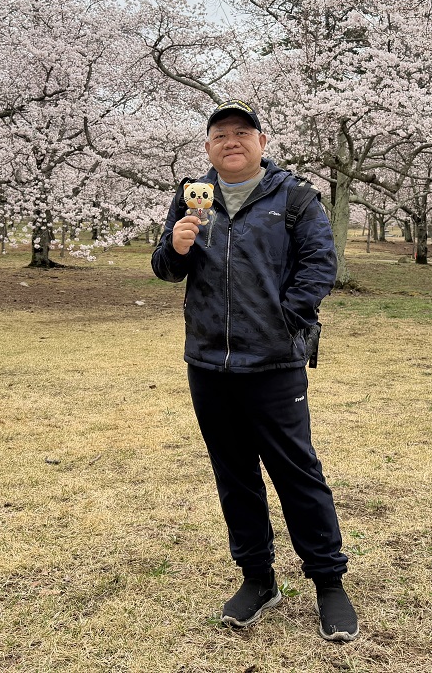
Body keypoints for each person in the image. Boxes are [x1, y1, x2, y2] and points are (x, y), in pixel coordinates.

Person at [151, 99, 359, 642]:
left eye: (243, 132)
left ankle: (329, 583)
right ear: (208, 148)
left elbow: (320, 264)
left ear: (262, 143)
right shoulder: (191, 197)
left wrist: (286, 319)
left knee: (297, 472)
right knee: (234, 473)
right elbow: (165, 270)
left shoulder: (292, 196)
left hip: (273, 363)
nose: (231, 141)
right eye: (221, 134)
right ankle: (257, 578)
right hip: (209, 363)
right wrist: (174, 246)